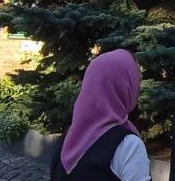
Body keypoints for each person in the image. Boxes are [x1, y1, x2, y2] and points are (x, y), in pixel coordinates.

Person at [51, 49, 150, 181]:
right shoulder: (128, 145)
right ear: (123, 86)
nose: (139, 88)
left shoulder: (68, 138)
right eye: (137, 80)